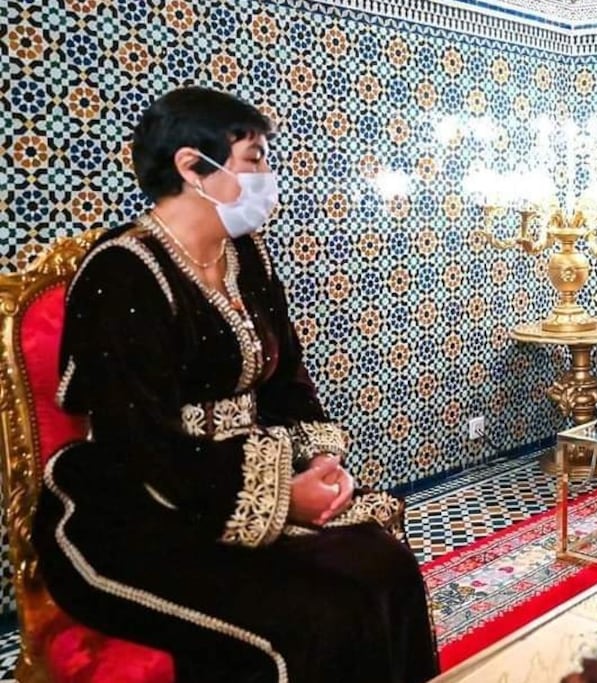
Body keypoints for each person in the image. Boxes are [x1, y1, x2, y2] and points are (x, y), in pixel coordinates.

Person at [33, 87, 440, 683]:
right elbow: (137, 438)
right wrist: (279, 498)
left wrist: (319, 460)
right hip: (134, 509)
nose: (266, 176)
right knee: (311, 619)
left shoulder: (245, 256)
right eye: (253, 159)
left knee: (387, 566)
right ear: (192, 166)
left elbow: (285, 381)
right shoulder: (122, 271)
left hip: (236, 477)